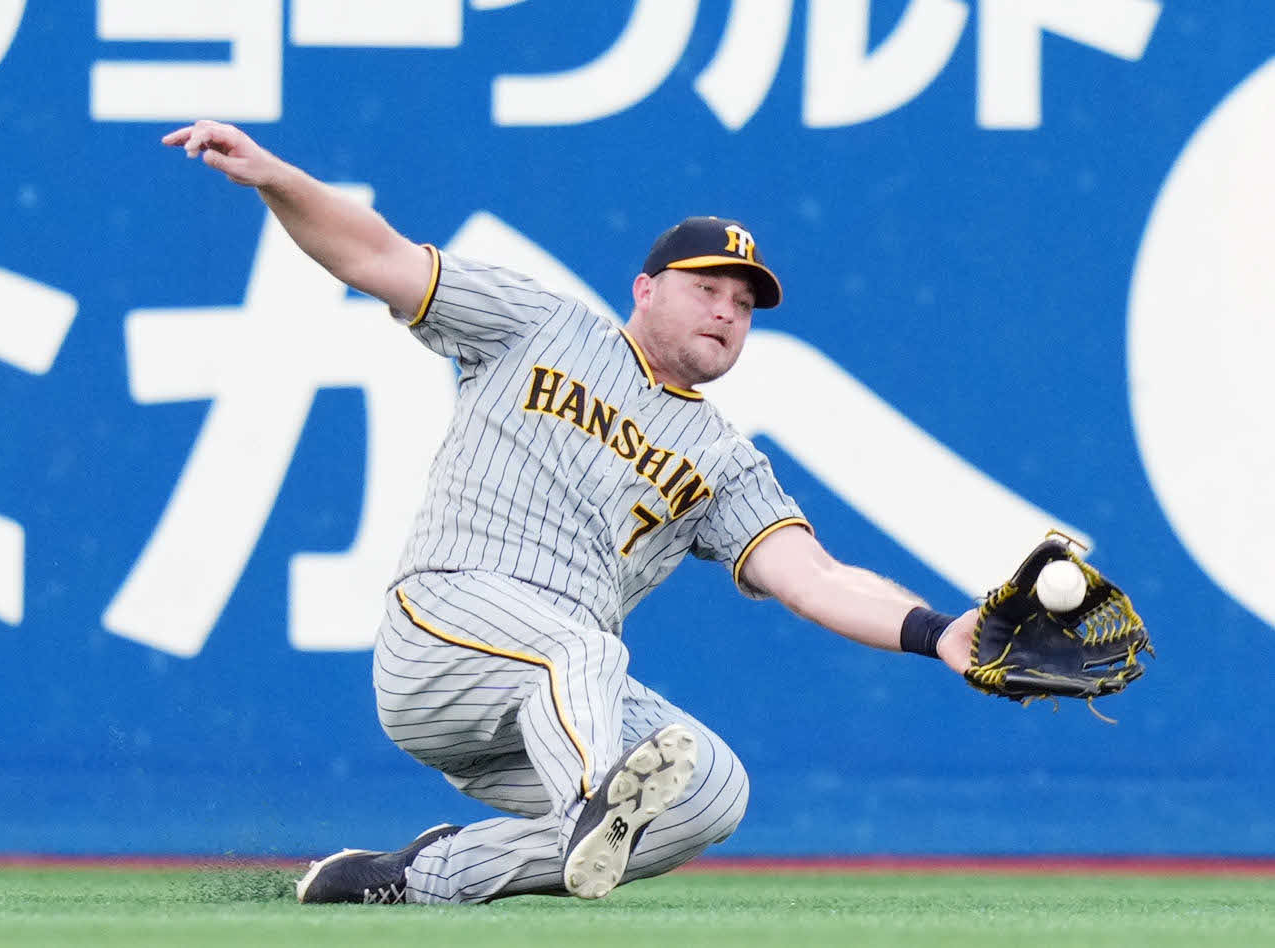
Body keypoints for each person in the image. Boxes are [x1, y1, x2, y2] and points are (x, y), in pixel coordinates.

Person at [161, 120, 980, 906]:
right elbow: (377, 254)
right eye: (707, 288)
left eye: (743, 303)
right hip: (443, 630)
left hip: (543, 714)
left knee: (711, 790)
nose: (727, 312)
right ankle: (594, 800)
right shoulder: (542, 325)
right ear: (645, 289)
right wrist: (275, 177)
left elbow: (816, 578)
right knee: (580, 649)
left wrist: (936, 630)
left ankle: (420, 876)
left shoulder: (725, 463)